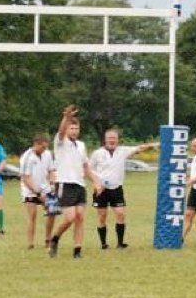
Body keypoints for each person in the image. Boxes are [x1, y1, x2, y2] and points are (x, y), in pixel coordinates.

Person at [48, 104, 103, 259]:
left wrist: (95, 181)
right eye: (71, 128)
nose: (74, 131)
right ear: (67, 129)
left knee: (80, 217)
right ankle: (55, 238)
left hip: (79, 185)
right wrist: (66, 117)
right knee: (69, 217)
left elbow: (85, 166)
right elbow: (60, 131)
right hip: (65, 184)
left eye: (76, 129)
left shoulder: (81, 145)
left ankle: (77, 250)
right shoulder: (60, 142)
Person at [89, 129, 159, 250]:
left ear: (117, 140)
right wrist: (96, 183)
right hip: (101, 190)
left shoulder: (122, 151)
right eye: (109, 138)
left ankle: (120, 243)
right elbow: (88, 170)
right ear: (105, 139)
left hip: (116, 188)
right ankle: (104, 244)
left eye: (114, 138)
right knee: (102, 216)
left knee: (120, 214)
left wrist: (155, 144)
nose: (112, 140)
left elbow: (140, 148)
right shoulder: (97, 153)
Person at [19, 134, 56, 249]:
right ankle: (30, 243)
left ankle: (48, 240)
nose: (44, 149)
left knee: (52, 212)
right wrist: (38, 193)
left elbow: (51, 170)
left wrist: (52, 183)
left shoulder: (47, 154)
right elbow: (26, 178)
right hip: (30, 190)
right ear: (36, 144)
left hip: (45, 188)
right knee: (32, 215)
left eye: (46, 147)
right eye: (42, 147)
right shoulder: (27, 157)